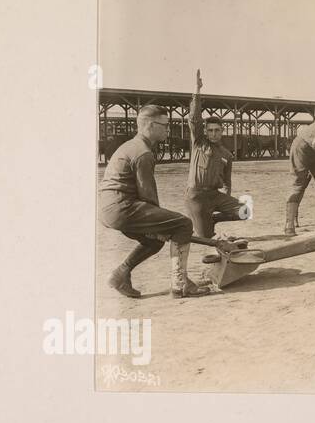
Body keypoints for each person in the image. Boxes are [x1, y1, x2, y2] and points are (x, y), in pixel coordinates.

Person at [98, 104, 209, 299]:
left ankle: (120, 274)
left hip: (108, 210)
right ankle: (180, 284)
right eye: (165, 125)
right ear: (150, 126)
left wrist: (159, 229)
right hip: (123, 207)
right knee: (183, 224)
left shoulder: (131, 146)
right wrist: (164, 227)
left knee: (153, 241)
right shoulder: (143, 153)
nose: (168, 129)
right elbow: (148, 197)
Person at [183, 70, 249, 264]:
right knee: (205, 239)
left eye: (217, 130)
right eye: (210, 130)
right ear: (205, 131)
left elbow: (227, 181)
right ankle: (207, 224)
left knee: (246, 211)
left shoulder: (227, 155)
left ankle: (215, 219)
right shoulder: (199, 144)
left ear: (222, 131)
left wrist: (227, 203)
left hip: (215, 196)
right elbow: (194, 117)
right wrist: (197, 90)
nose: (213, 134)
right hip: (196, 197)